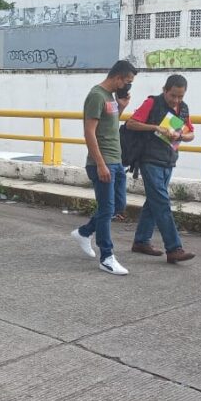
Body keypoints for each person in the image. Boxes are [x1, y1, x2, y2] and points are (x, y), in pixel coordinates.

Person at [71, 60, 136, 276]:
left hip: (116, 161)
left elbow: (109, 125)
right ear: (118, 78)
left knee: (118, 204)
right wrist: (100, 163)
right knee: (107, 208)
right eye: (127, 81)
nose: (127, 86)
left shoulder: (110, 98)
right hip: (103, 161)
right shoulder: (96, 96)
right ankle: (107, 256)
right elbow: (89, 132)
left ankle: (84, 232)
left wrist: (122, 107)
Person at [125, 75, 197, 264]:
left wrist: (180, 135)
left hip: (168, 160)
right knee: (162, 203)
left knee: (154, 201)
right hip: (149, 159)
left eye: (180, 97)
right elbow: (131, 123)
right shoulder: (152, 103)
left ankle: (141, 241)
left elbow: (190, 133)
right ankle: (174, 248)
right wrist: (155, 127)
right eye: (173, 95)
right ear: (165, 90)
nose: (176, 100)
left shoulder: (183, 109)